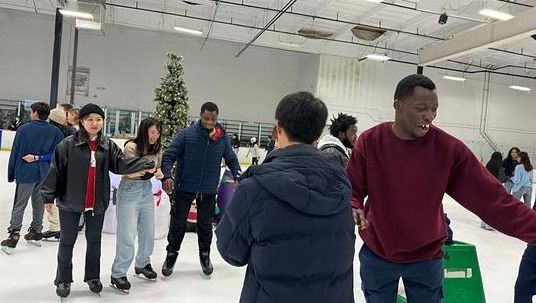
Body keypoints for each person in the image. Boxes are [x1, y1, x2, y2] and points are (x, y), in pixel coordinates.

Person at [346, 74, 536, 303]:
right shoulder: (371, 142)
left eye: (434, 109)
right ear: (398, 106)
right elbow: (351, 188)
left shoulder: (448, 150)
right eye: (421, 108)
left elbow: (493, 200)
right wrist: (353, 206)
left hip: (426, 258)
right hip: (378, 254)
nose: (429, 116)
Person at [216, 92, 355, 303]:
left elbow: (231, 252)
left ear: (278, 129)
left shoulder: (254, 188)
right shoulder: (340, 183)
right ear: (318, 134)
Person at [40, 103, 155, 298]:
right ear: (82, 121)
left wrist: (143, 162)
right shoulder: (67, 145)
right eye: (90, 119)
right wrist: (48, 196)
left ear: (103, 121)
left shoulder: (107, 145)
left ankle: (92, 277)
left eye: (98, 119)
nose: (95, 123)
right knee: (67, 241)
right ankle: (63, 280)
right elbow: (55, 171)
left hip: (96, 203)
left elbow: (120, 164)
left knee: (94, 241)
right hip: (70, 201)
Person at [161, 102, 241, 277]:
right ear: (200, 115)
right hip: (184, 187)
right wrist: (167, 175)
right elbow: (169, 155)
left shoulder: (222, 139)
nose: (209, 122)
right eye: (206, 118)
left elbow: (232, 160)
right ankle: (171, 255)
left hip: (208, 190)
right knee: (178, 224)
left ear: (217, 118)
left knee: (205, 226)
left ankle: (205, 255)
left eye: (213, 119)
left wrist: (238, 175)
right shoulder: (186, 135)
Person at [1, 102, 64, 255]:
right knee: (39, 203)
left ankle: (14, 234)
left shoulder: (24, 129)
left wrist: (11, 173)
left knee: (20, 204)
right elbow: (56, 155)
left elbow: (16, 151)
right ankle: (36, 230)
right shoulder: (56, 132)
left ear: (35, 113)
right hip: (45, 173)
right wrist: (40, 158)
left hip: (26, 172)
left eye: (31, 112)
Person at [110, 117, 164, 292]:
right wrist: (147, 170)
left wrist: (159, 171)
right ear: (144, 131)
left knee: (148, 231)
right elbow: (128, 170)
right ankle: (118, 273)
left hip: (145, 191)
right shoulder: (131, 147)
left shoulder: (157, 148)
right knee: (127, 234)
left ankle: (142, 263)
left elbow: (159, 166)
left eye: (158, 132)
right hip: (130, 190)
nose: (155, 136)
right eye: (152, 132)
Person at [480, 151, 506, 230]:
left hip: (487, 186)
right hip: (496, 187)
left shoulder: (489, 164)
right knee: (493, 207)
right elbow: (502, 178)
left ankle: (483, 223)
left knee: (486, 206)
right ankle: (490, 225)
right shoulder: (499, 166)